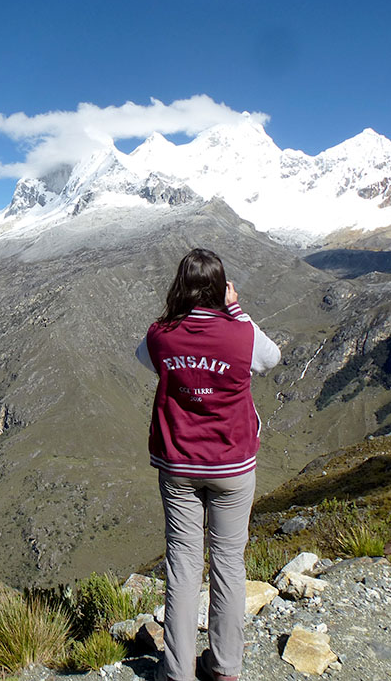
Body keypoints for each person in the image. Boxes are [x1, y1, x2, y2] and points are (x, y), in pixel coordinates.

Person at [136, 248, 280, 681]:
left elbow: (145, 359)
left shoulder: (161, 334)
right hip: (233, 465)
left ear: (180, 286)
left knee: (182, 566)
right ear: (222, 288)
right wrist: (236, 311)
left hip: (178, 463)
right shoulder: (241, 334)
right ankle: (224, 667)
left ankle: (177, 670)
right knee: (229, 565)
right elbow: (271, 358)